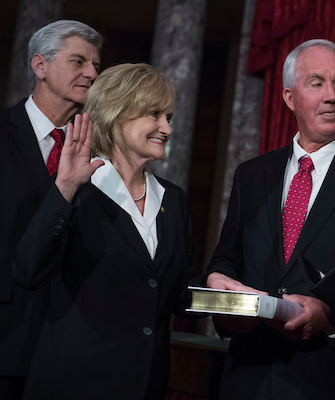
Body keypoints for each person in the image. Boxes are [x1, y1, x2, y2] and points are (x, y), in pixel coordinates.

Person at [205, 39, 335, 400]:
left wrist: (332, 319)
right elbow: (228, 259)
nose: (332, 96)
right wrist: (219, 291)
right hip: (248, 377)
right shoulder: (252, 174)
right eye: (317, 82)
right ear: (290, 98)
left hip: (333, 381)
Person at [12, 63, 199, 400]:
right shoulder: (75, 190)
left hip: (146, 386)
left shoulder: (173, 199)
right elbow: (29, 271)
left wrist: (230, 297)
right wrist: (65, 187)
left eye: (169, 117)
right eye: (154, 114)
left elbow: (180, 292)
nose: (166, 128)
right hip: (73, 383)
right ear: (116, 114)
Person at [0, 20, 101, 400]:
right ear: (39, 66)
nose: (92, 73)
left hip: (69, 350)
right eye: (79, 62)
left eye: (94, 64)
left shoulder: (99, 149)